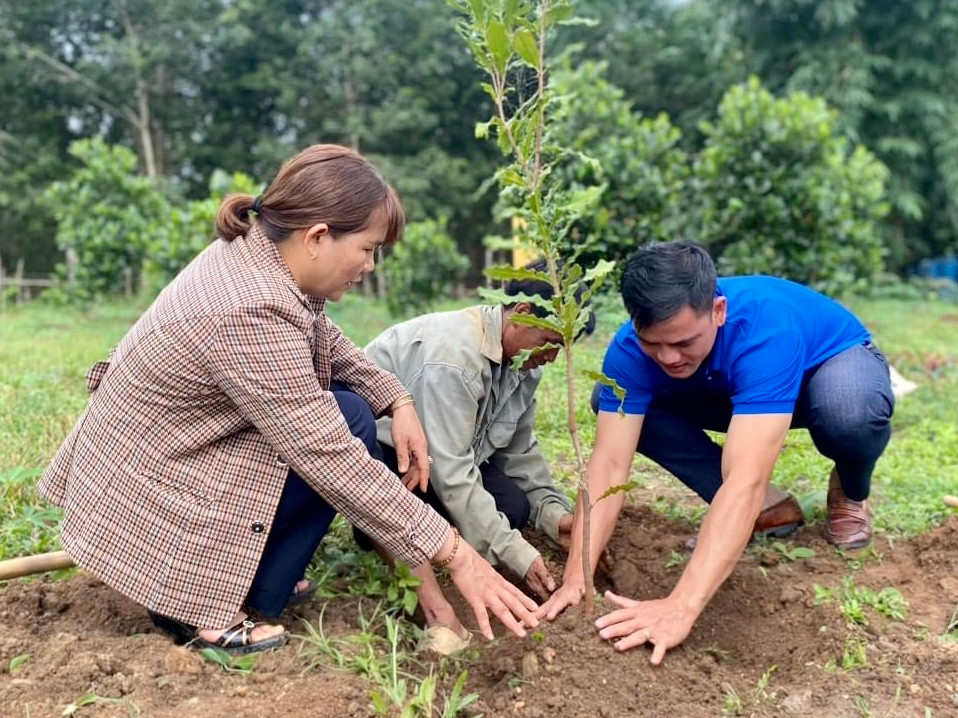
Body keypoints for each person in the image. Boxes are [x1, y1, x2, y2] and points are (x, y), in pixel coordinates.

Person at [38, 144, 538, 655]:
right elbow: (327, 456)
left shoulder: (259, 259)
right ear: (318, 236)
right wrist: (455, 552)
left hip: (161, 454)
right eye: (368, 249)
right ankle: (195, 610)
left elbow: (322, 332)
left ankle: (256, 579)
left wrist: (397, 399)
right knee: (341, 429)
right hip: (154, 483)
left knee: (353, 411)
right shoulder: (247, 310)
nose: (369, 265)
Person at [540, 241, 894, 664]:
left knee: (849, 412)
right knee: (612, 399)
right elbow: (610, 463)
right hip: (725, 384)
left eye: (684, 341)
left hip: (824, 369)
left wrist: (681, 606)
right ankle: (770, 510)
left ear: (719, 312)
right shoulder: (632, 350)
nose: (668, 356)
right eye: (654, 343)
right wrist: (576, 578)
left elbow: (745, 478)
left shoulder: (766, 329)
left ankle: (851, 491)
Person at [362, 261, 592, 647]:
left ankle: (436, 530)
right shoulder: (454, 357)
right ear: (521, 313)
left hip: (440, 462)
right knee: (410, 506)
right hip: (390, 460)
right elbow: (450, 471)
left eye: (562, 349)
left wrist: (555, 517)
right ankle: (390, 544)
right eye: (549, 343)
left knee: (515, 507)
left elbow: (520, 452)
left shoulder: (524, 364)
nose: (552, 358)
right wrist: (519, 554)